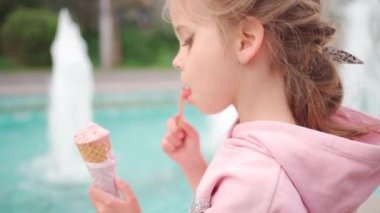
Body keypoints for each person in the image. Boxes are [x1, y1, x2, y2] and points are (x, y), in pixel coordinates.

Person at [89, 0, 380, 212]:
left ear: (245, 40)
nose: (177, 60)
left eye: (188, 40)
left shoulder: (256, 183)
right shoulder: (272, 148)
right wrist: (194, 167)